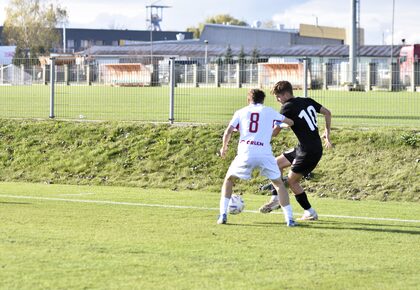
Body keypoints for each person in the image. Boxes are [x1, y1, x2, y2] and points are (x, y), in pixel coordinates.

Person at [217, 88, 297, 227]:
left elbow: (228, 131)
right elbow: (290, 122)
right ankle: (289, 219)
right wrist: (278, 124)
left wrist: (224, 147)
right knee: (279, 184)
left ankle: (223, 214)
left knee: (229, 180)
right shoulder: (269, 111)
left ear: (249, 100)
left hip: (246, 152)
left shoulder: (241, 112)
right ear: (263, 100)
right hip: (264, 153)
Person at [259, 80, 332, 220]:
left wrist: (259, 135)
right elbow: (327, 113)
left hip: (308, 152)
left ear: (286, 94)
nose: (278, 100)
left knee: (292, 182)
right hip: (308, 147)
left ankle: (310, 212)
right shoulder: (307, 100)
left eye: (278, 97)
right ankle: (275, 198)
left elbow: (275, 132)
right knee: (275, 164)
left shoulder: (287, 107)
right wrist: (327, 133)